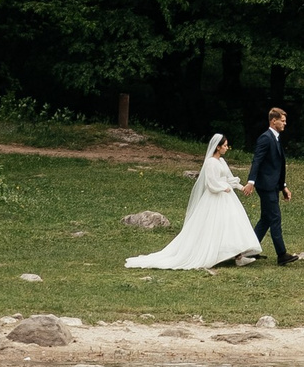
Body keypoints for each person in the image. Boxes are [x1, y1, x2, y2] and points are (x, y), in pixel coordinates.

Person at [123, 134, 262, 271]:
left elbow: (229, 178)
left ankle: (238, 256)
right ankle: (214, 254)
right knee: (213, 225)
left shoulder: (221, 161)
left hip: (227, 197)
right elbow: (211, 183)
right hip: (216, 197)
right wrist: (222, 188)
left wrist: (241, 187)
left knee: (231, 223)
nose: (227, 148)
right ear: (218, 147)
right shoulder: (210, 162)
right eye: (225, 145)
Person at [246, 105, 293, 263]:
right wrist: (251, 181)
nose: (285, 123)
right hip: (266, 186)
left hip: (273, 185)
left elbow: (276, 166)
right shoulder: (266, 138)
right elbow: (257, 161)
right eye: (282, 121)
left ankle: (250, 251)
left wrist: (283, 186)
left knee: (266, 218)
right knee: (275, 217)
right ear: (273, 121)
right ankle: (282, 254)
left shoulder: (276, 138)